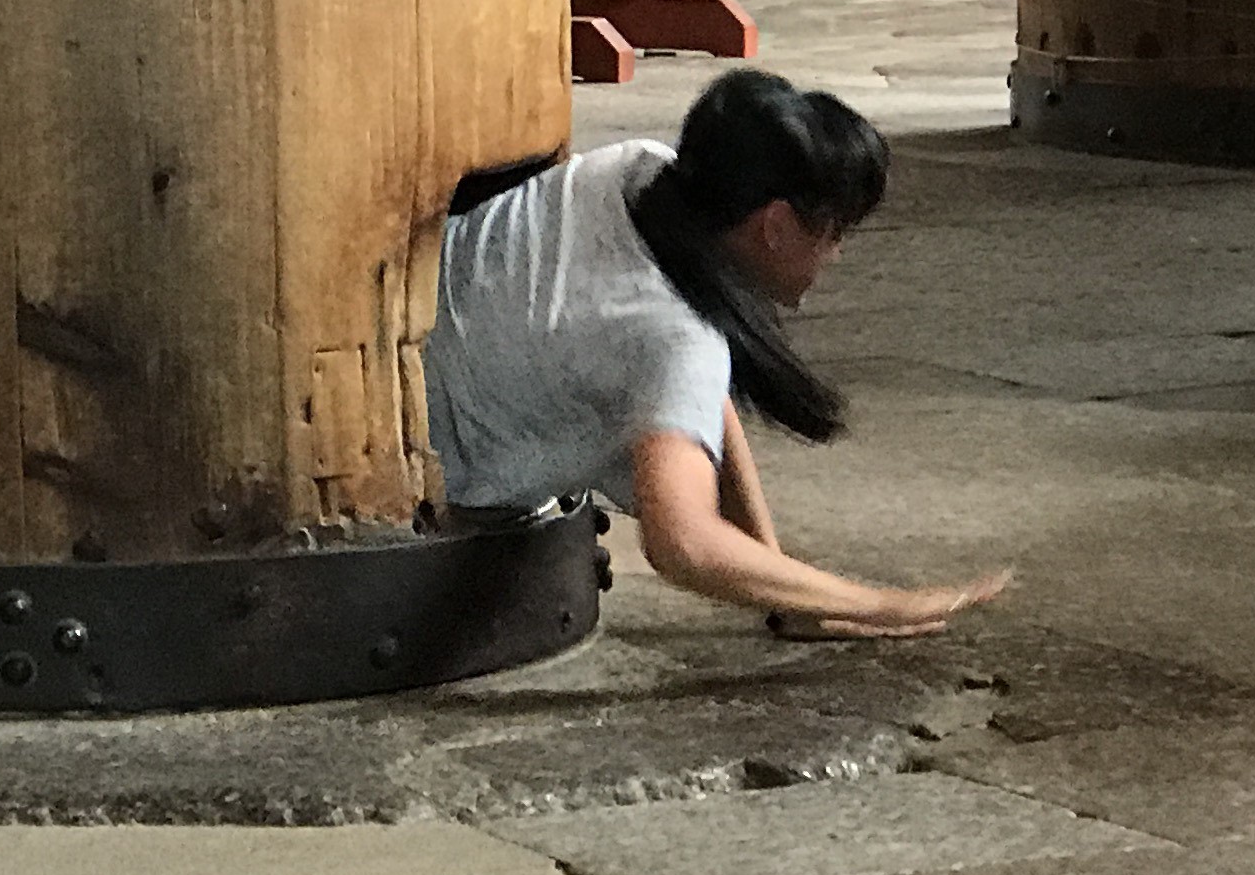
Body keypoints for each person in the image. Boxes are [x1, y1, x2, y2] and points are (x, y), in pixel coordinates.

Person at [422, 69, 1009, 641]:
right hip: (416, 479)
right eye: (833, 233)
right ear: (775, 226)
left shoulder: (638, 172)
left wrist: (782, 584)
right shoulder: (674, 339)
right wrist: (881, 605)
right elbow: (684, 543)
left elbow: (702, 404)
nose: (836, 256)